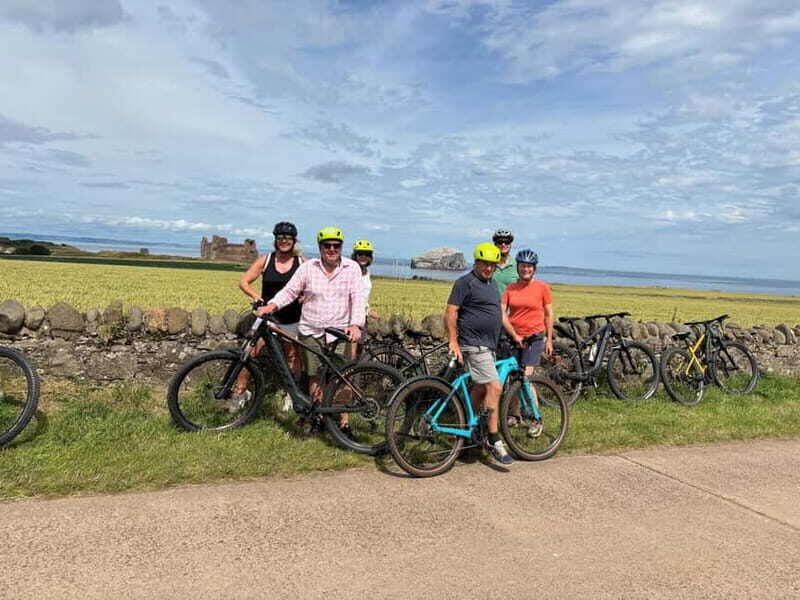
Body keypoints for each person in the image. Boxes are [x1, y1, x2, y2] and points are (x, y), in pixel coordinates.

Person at [259, 226, 365, 436]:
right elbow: (290, 291)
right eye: (327, 245)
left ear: (341, 247)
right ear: (320, 247)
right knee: (314, 376)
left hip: (339, 331)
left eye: (336, 245)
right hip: (311, 329)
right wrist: (272, 305)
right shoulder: (308, 268)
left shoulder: (351, 268)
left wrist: (355, 324)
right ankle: (318, 418)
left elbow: (358, 298)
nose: (332, 249)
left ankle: (344, 422)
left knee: (343, 377)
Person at [445, 242, 514, 465]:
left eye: (492, 264)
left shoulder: (492, 284)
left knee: (480, 388)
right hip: (473, 345)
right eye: (484, 264)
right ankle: (493, 439)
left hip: (488, 345)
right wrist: (453, 342)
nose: (488, 268)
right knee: (495, 387)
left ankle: (467, 430)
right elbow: (451, 311)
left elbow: (496, 313)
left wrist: (513, 335)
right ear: (476, 262)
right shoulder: (465, 282)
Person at [234, 221, 304, 412]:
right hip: (267, 318)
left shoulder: (301, 263)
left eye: (288, 238)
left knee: (292, 356)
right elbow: (244, 282)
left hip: (292, 319)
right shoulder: (265, 260)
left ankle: (292, 395)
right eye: (280, 237)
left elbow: (312, 284)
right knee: (248, 352)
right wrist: (257, 297)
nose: (284, 241)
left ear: (294, 240)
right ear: (275, 240)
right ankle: (240, 392)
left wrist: (305, 296)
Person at [501, 249, 553, 435]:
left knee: (526, 377)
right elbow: (502, 313)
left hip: (533, 338)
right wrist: (513, 335)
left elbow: (548, 314)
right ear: (518, 267)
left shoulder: (542, 288)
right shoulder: (510, 289)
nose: (526, 269)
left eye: (529, 266)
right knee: (512, 378)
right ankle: (515, 415)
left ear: (534, 269)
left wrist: (549, 339)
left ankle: (536, 418)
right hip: (514, 337)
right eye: (523, 266)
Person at [491, 228, 517, 296]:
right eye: (500, 242)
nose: (503, 244)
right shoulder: (489, 265)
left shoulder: (518, 266)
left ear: (510, 245)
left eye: (507, 242)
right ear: (495, 244)